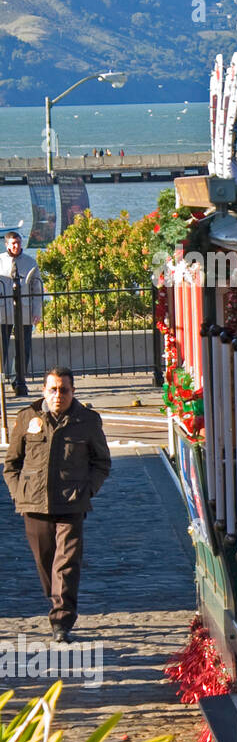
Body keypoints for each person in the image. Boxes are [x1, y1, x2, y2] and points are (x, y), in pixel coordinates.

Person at [4, 367, 111, 640]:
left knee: (66, 563)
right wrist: (19, 493)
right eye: (52, 389)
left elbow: (101, 462)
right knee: (45, 561)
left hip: (71, 504)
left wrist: (87, 491)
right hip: (34, 503)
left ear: (73, 392)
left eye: (64, 390)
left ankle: (61, 620)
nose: (58, 395)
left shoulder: (87, 421)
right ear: (44, 391)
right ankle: (55, 600)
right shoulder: (27, 417)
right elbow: (12, 463)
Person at [0, 230, 43, 394]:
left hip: (24, 311)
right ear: (7, 245)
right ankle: (1, 377)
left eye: (18, 243)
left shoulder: (31, 263)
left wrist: (36, 311)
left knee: (23, 348)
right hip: (3, 312)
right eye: (13, 243)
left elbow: (37, 289)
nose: (16, 246)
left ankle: (18, 380)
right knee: (1, 348)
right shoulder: (0, 260)